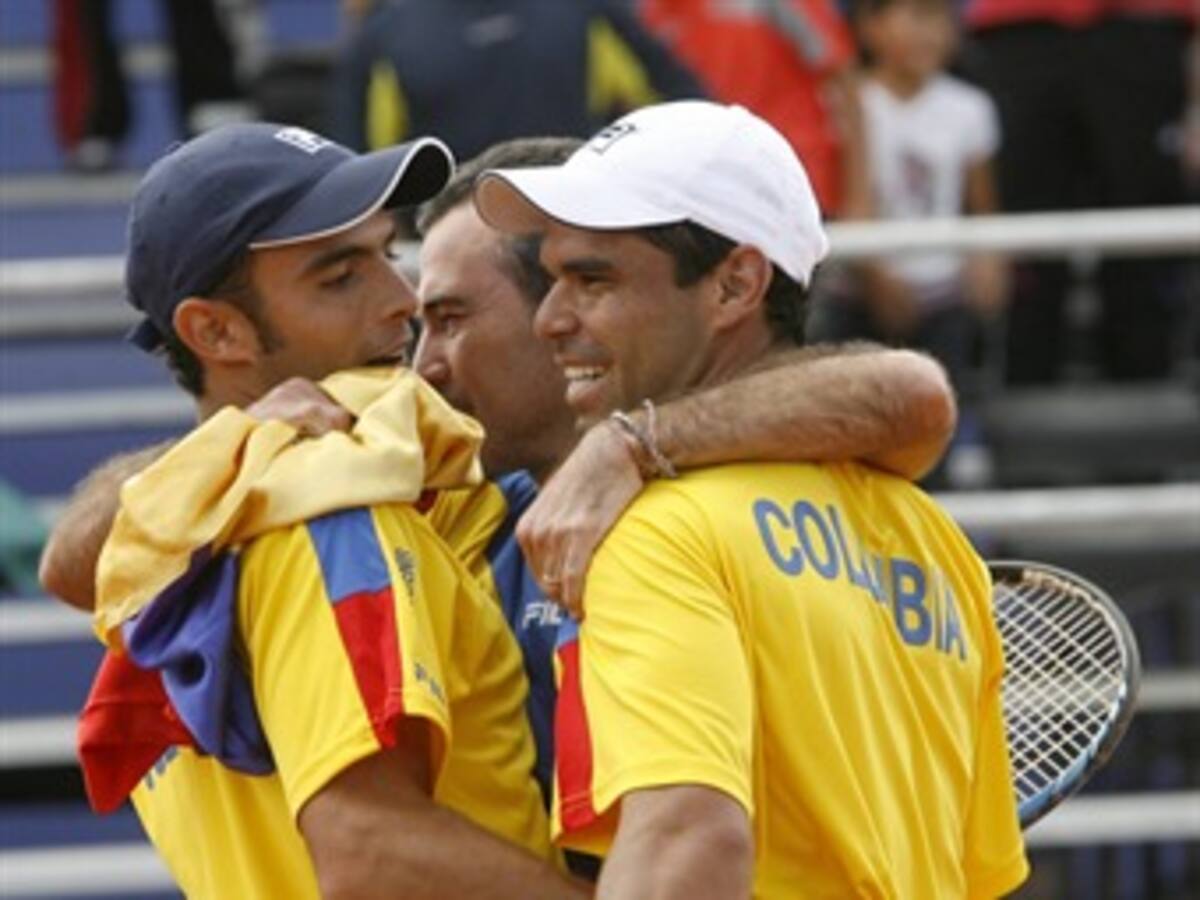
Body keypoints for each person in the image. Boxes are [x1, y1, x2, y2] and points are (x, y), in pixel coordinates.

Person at [475, 99, 1028, 897]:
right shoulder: (936, 543)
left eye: (593, 280)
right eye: (554, 279)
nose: (551, 319)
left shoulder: (654, 533)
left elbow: (686, 845)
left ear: (736, 285)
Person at [54, 122, 588, 899]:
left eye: (387, 254)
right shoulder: (331, 513)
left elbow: (73, 561)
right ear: (216, 331)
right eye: (339, 278)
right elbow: (370, 852)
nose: (401, 302)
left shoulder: (183, 529)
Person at [809, 0, 1006, 486]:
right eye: (917, 17)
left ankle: (955, 465)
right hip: (860, 286)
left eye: (942, 20)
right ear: (869, 26)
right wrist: (875, 274)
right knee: (854, 418)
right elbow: (844, 193)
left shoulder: (969, 107)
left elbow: (980, 202)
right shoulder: (845, 100)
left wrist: (988, 259)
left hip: (941, 288)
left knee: (936, 418)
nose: (932, 33)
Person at [960, 0, 1197, 383]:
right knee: (1025, 226)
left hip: (1143, 23)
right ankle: (1026, 383)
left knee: (1142, 221)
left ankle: (1146, 382)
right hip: (1019, 29)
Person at [328, 0, 704, 164]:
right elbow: (356, 154)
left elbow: (687, 107)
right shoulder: (384, 33)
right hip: (443, 239)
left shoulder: (587, 9)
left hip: (573, 220)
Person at [636, 0, 871, 218]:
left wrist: (858, 198)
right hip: (707, 187)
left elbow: (843, 78)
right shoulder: (660, 8)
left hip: (792, 182)